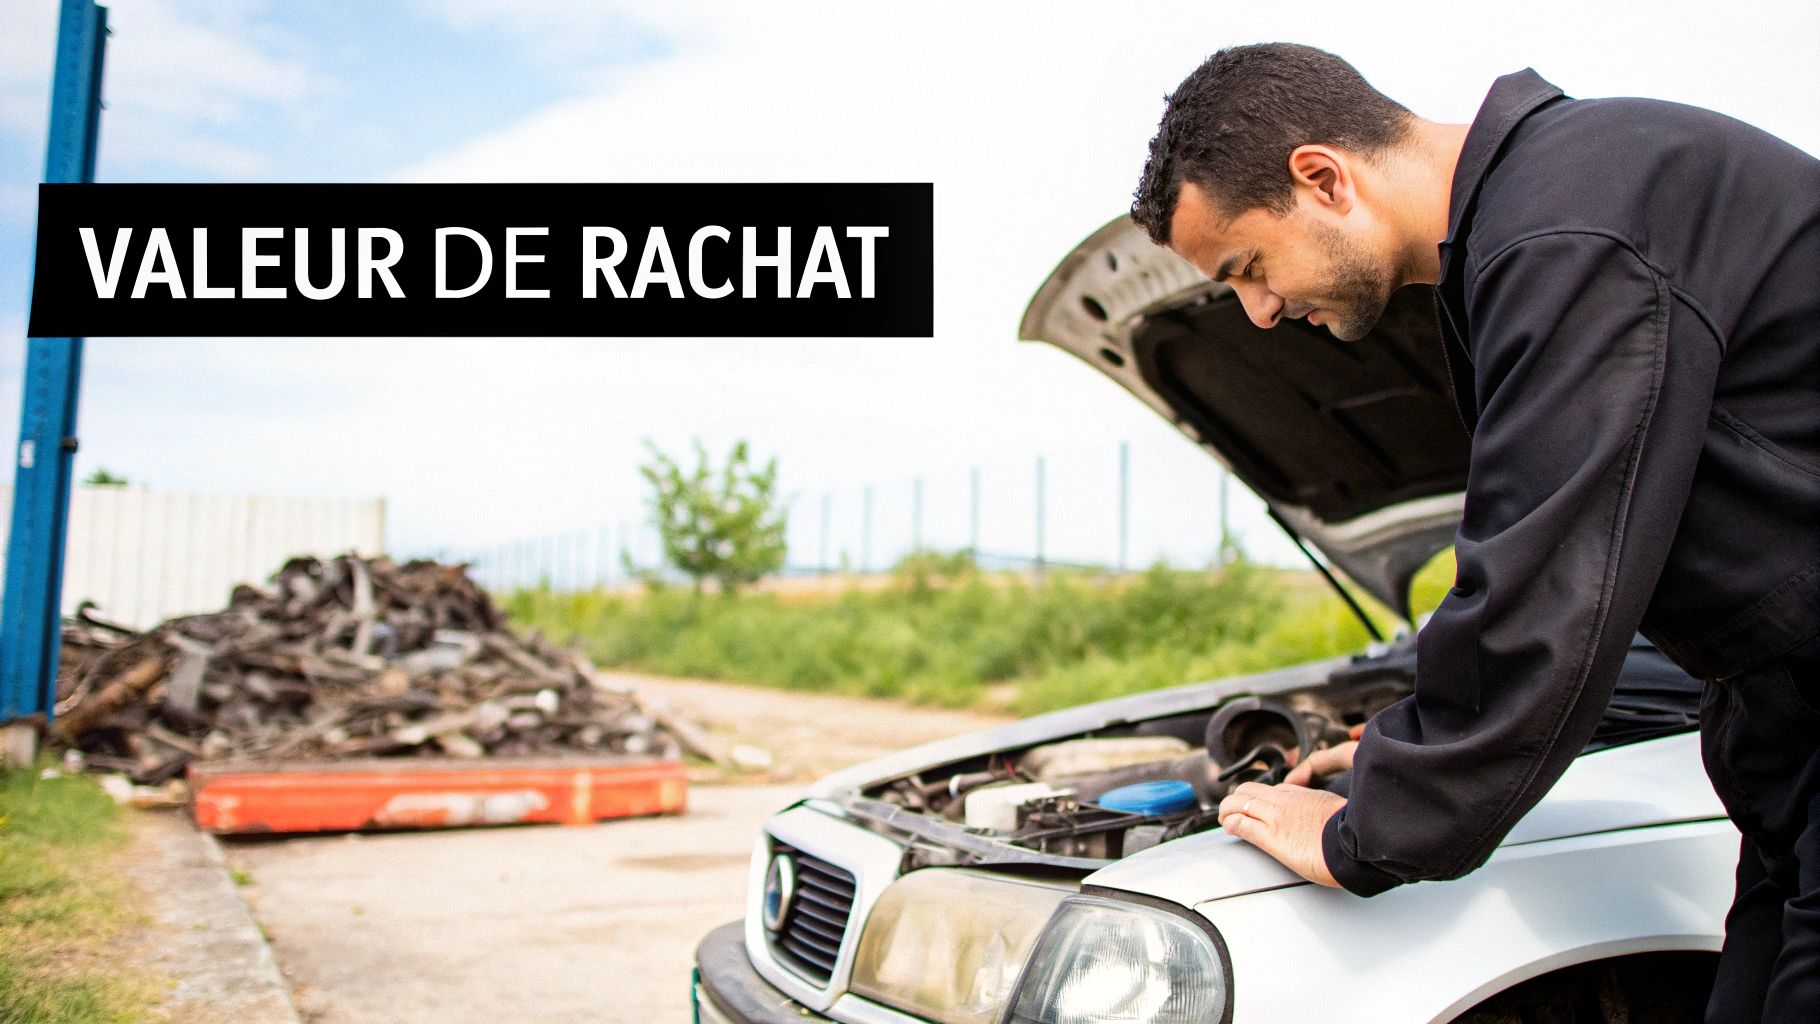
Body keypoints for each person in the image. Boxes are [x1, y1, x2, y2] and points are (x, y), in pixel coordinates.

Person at [1128, 43, 1820, 1022]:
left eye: (1246, 268)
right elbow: (1654, 586)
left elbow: (1548, 587)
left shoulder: (1564, 228)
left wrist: (1361, 831)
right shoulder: (1544, 212)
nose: (1260, 310)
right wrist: (1397, 748)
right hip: (1780, 742)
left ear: (1322, 178)